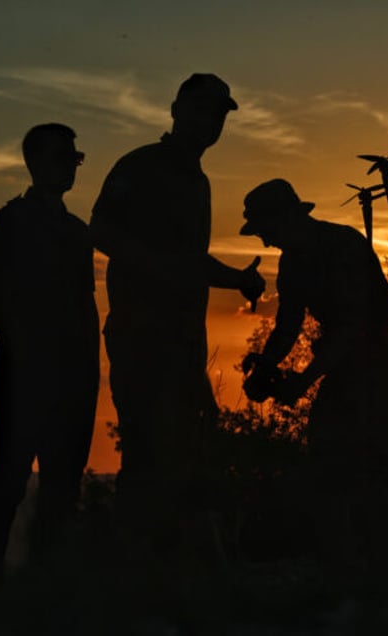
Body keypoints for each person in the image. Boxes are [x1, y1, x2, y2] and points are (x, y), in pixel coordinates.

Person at [89, 74, 265, 535]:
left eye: (220, 115)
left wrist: (237, 280)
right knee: (150, 455)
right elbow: (101, 229)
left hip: (183, 342)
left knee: (187, 455)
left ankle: (170, 569)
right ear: (177, 110)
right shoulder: (141, 166)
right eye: (204, 110)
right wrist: (155, 267)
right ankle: (137, 573)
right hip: (142, 336)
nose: (212, 122)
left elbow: (189, 262)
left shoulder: (197, 181)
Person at [239, 179, 388, 560]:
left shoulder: (344, 247)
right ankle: (343, 559)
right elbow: (288, 325)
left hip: (386, 367)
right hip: (348, 366)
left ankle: (378, 561)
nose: (265, 241)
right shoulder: (292, 262)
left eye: (265, 230)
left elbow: (353, 327)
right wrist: (266, 364)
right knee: (329, 455)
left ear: (285, 219)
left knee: (372, 467)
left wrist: (302, 381)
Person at [0, 123, 99, 595]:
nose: (71, 166)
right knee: (7, 482)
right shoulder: (11, 224)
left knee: (62, 490)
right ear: (36, 162)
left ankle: (47, 589)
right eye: (63, 157)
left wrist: (87, 368)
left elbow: (85, 308)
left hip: (73, 382)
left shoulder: (77, 232)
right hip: (27, 378)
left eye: (75, 157)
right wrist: (32, 351)